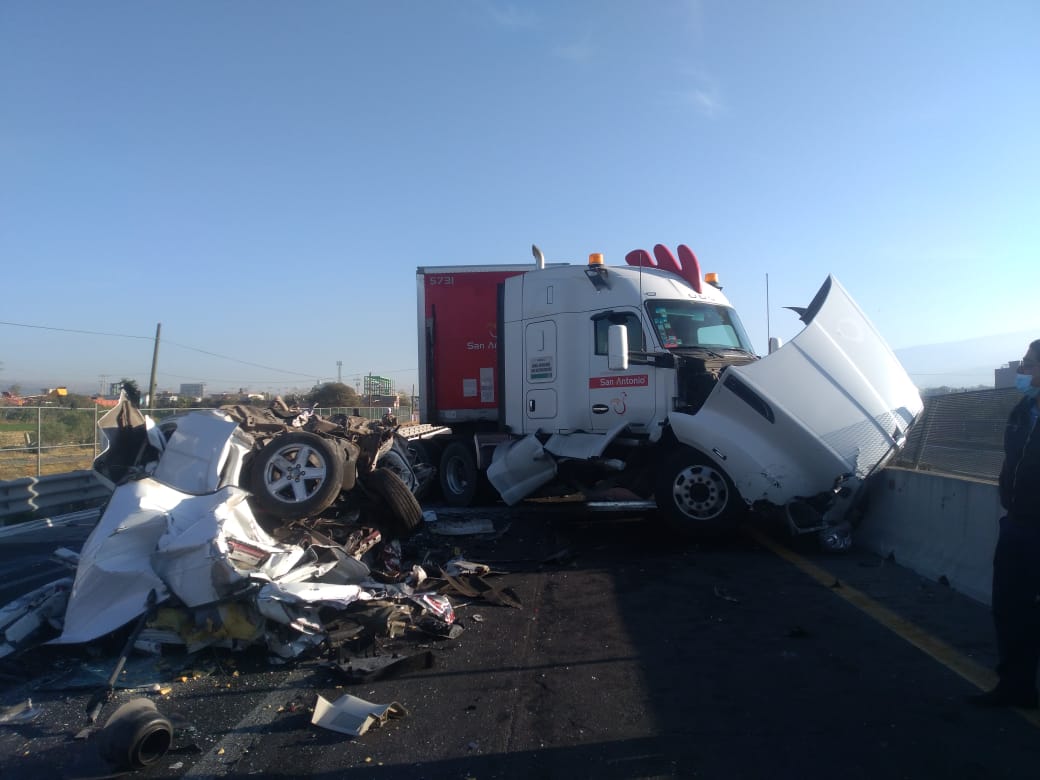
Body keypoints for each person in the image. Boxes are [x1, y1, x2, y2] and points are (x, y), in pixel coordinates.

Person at [969, 339, 1040, 708]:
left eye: (1028, 365)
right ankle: (1016, 687)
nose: (1021, 371)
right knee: (1010, 608)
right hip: (1016, 526)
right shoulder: (1022, 411)